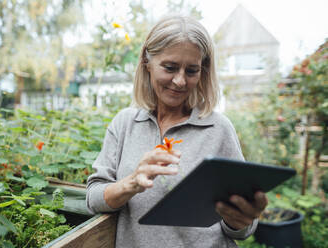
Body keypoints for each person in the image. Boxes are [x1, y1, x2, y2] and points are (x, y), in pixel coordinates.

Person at [86, 15, 268, 248]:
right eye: (170, 68)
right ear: (147, 63)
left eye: (192, 71)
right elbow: (93, 198)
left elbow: (242, 230)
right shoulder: (125, 124)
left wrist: (240, 219)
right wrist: (131, 183)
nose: (180, 81)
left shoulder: (218, 129)